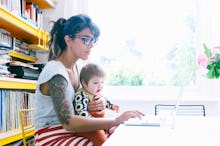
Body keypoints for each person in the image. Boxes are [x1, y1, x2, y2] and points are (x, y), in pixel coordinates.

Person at [33, 14, 144, 146]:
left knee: (120, 136)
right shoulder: (56, 73)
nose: (91, 45)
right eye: (85, 39)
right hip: (51, 134)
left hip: (75, 131)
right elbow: (69, 122)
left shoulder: (79, 69)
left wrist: (99, 102)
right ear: (68, 40)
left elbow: (86, 98)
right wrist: (116, 120)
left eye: (93, 40)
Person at [73, 63, 119, 146]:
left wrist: (112, 106)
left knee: (112, 122)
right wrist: (96, 123)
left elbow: (105, 100)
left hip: (97, 121)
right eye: (95, 83)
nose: (100, 86)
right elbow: (81, 113)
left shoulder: (94, 92)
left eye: (102, 82)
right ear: (84, 83)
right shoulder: (82, 95)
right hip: (87, 126)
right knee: (100, 136)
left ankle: (109, 128)